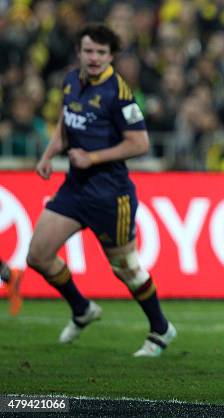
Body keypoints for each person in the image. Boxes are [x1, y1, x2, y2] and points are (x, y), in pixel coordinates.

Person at [26, 23, 176, 357]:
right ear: (79, 52)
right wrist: (49, 155)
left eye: (101, 53)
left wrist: (91, 156)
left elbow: (140, 142)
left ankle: (161, 329)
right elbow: (67, 124)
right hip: (75, 188)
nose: (94, 58)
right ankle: (82, 309)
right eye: (89, 51)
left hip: (110, 194)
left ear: (111, 56)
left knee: (126, 268)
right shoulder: (69, 80)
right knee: (37, 255)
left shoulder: (119, 92)